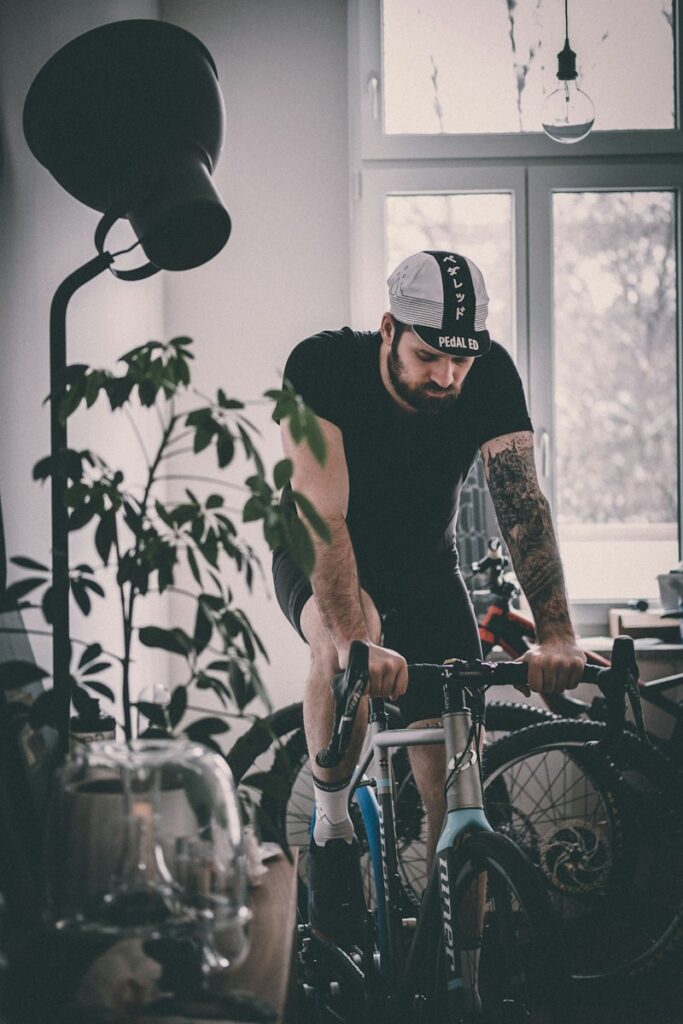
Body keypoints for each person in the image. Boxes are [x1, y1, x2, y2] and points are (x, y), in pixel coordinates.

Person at [272, 249, 586, 951]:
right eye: (428, 356)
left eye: (460, 360)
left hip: (426, 571)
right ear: (389, 330)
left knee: (460, 792)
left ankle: (463, 976)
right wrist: (355, 640)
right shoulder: (321, 367)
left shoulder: (490, 374)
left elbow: (521, 508)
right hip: (320, 553)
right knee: (349, 640)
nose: (446, 376)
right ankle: (332, 829)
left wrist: (556, 633)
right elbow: (322, 515)